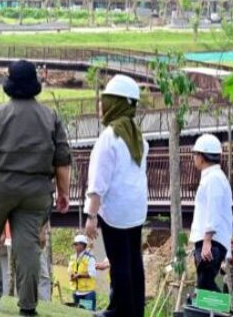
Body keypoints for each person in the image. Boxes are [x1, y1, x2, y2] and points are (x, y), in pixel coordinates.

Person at [0, 59, 72, 316]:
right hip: (36, 192)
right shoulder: (51, 117)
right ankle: (28, 306)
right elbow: (62, 161)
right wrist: (64, 193)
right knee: (27, 246)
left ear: (9, 83)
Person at [84, 74, 149, 317]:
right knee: (133, 262)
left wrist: (91, 215)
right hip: (135, 211)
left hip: (115, 211)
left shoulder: (110, 138)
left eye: (105, 101)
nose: (101, 106)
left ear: (117, 103)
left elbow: (98, 182)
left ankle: (120, 310)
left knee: (119, 262)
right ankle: (132, 309)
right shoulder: (138, 136)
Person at [189, 134, 233, 292]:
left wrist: (207, 240)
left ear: (202, 156)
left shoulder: (214, 178)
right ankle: (219, 312)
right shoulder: (212, 177)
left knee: (205, 283)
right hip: (210, 240)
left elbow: (213, 208)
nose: (194, 157)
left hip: (212, 241)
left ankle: (226, 313)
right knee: (203, 285)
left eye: (195, 154)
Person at [68, 234, 98, 311]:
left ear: (82, 245)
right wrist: (71, 275)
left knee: (86, 314)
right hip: (76, 292)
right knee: (78, 314)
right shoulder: (72, 257)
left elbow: (92, 273)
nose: (74, 246)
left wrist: (78, 275)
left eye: (76, 244)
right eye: (74, 244)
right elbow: (70, 270)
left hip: (87, 293)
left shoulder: (90, 258)